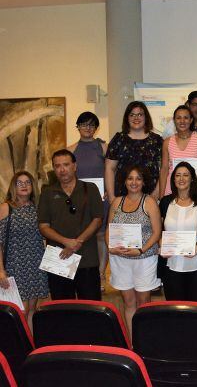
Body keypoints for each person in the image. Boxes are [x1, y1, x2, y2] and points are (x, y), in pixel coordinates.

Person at [38, 150, 104, 300]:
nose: (62, 170)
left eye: (66, 165)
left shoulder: (90, 188)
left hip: (87, 259)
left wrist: (77, 242)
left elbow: (98, 219)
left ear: (74, 166)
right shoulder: (47, 193)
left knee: (91, 308)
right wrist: (66, 242)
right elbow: (43, 226)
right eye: (57, 166)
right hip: (58, 259)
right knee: (62, 309)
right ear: (54, 169)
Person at [105, 165, 162, 338]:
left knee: (143, 302)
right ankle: (133, 341)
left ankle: (146, 339)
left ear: (144, 182)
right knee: (128, 302)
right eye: (130, 178)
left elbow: (157, 232)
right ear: (124, 181)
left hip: (144, 258)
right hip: (120, 259)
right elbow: (109, 229)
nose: (134, 182)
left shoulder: (150, 202)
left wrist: (141, 250)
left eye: (138, 178)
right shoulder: (117, 202)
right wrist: (110, 246)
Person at [67, 111, 109, 290]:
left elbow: (111, 171)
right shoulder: (70, 149)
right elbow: (67, 177)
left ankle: (100, 275)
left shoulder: (104, 147)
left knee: (100, 236)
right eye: (84, 124)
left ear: (96, 128)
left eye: (91, 125)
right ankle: (79, 274)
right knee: (79, 235)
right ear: (77, 127)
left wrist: (109, 189)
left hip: (101, 198)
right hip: (78, 200)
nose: (87, 128)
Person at [0, 171, 47, 325]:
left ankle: (31, 346)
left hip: (35, 264)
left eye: (28, 182)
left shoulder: (37, 208)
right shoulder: (6, 207)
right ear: (13, 187)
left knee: (33, 310)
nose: (24, 186)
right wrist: (1, 270)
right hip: (15, 266)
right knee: (20, 311)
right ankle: (18, 346)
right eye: (19, 183)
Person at [158, 162, 197, 302]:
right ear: (173, 179)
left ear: (192, 178)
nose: (181, 179)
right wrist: (161, 244)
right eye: (178, 175)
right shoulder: (165, 202)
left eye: (186, 175)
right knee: (175, 312)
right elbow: (159, 231)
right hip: (171, 265)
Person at [105, 101, 163, 202]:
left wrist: (156, 193)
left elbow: (164, 169)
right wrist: (111, 197)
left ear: (146, 117)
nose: (136, 118)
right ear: (127, 118)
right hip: (122, 196)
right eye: (132, 115)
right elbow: (109, 168)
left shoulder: (156, 140)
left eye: (140, 114)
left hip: (150, 197)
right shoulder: (118, 139)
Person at [159, 105, 197, 197]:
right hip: (172, 189)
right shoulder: (167, 142)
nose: (182, 121)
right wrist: (161, 195)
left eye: (186, 118)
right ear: (174, 120)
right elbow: (164, 170)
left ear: (191, 120)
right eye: (178, 118)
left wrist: (194, 183)